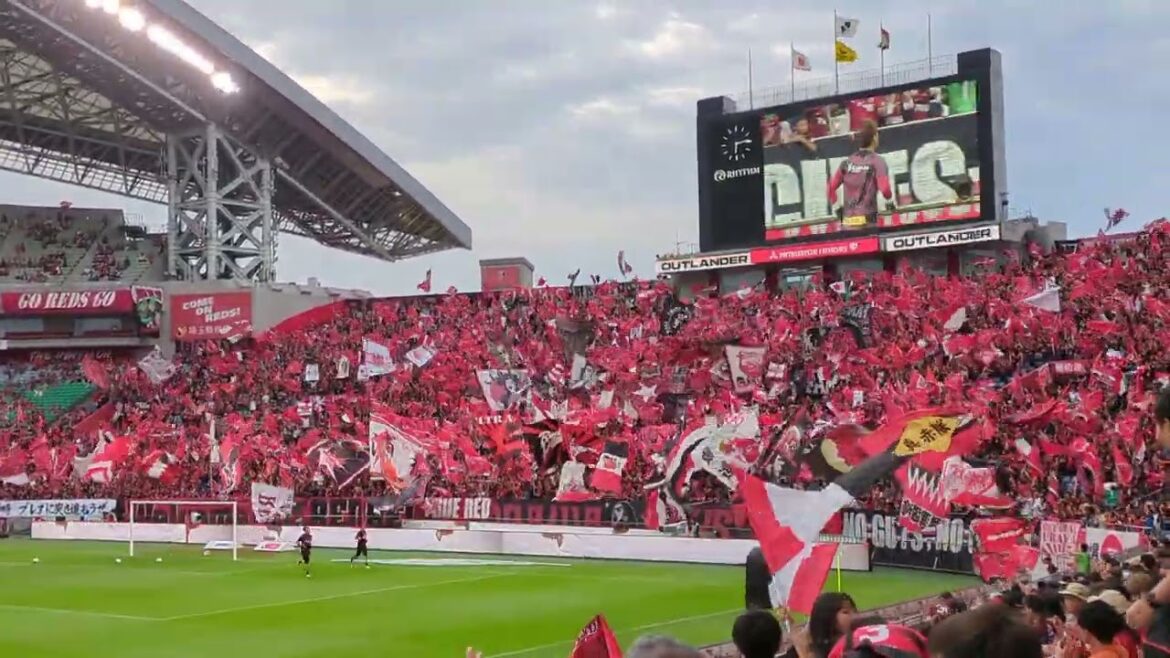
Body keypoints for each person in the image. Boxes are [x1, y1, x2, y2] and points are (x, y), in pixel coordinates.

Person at [826, 120, 892, 228]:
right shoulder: (877, 161)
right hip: (867, 221)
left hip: (848, 222)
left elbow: (830, 188)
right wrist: (889, 201)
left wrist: (837, 209)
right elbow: (885, 189)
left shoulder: (846, 163)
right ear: (874, 137)